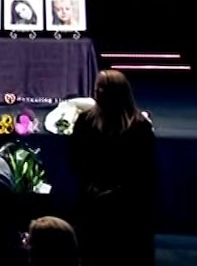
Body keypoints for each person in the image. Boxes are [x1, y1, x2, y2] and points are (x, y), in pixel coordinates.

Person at [71, 69, 156, 266]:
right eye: (96, 88)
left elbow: (145, 169)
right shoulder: (85, 121)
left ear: (116, 93)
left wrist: (119, 191)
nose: (96, 93)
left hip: (128, 203)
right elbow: (76, 157)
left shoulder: (139, 126)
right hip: (93, 196)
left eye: (102, 89)